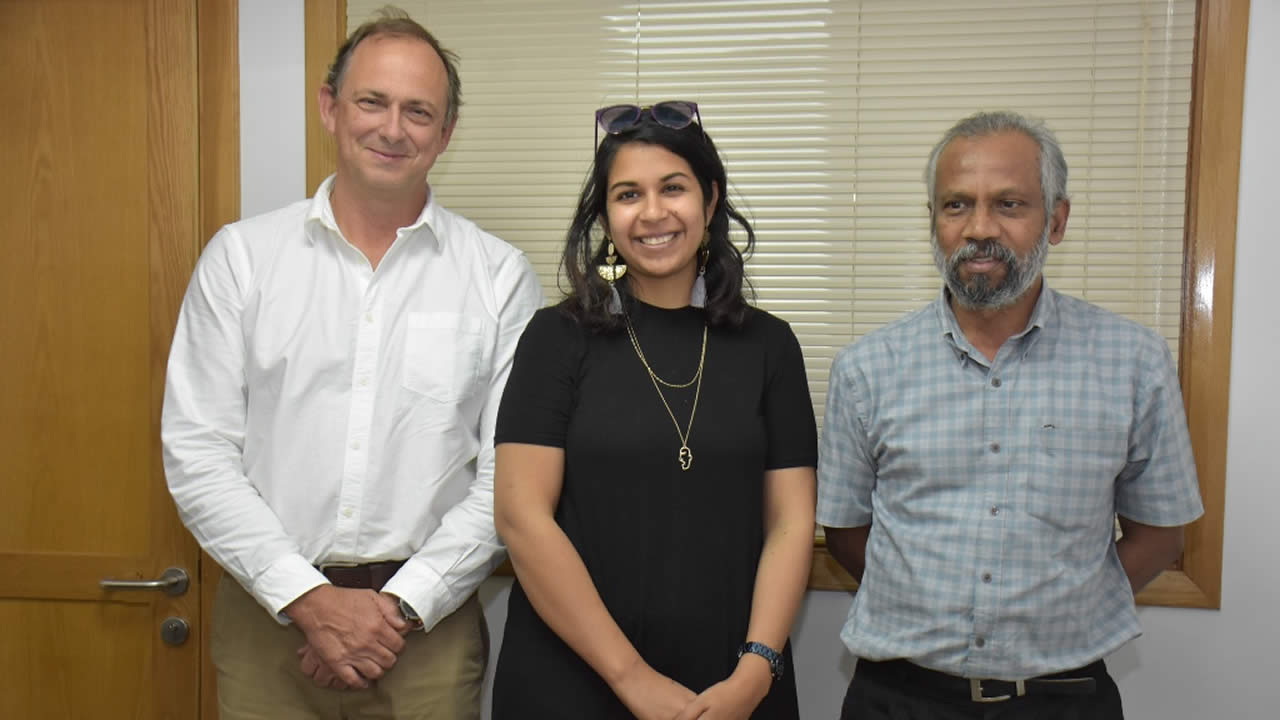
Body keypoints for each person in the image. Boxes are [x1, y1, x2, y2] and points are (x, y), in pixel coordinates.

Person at [161, 9, 542, 719]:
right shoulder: (243, 261)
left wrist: (398, 608)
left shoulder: (498, 278)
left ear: (446, 133)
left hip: (428, 629)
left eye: (419, 111)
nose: (393, 129)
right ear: (329, 108)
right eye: (372, 101)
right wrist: (306, 599)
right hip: (265, 618)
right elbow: (198, 451)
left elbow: (508, 477)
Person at [817, 110, 1204, 719]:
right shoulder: (866, 368)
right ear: (933, 222)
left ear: (1056, 219)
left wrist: (1065, 606)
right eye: (955, 206)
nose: (979, 228)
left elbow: (1161, 533)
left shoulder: (1133, 361)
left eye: (1009, 204)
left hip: (1065, 700)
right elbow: (844, 532)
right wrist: (925, 599)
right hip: (899, 699)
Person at [489, 101, 818, 719]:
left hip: (733, 682)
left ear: (711, 200)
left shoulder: (770, 345)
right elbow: (522, 518)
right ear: (605, 215)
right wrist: (632, 677)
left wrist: (755, 673)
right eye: (627, 194)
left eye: (674, 188)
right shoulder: (555, 339)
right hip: (574, 677)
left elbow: (791, 524)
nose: (653, 213)